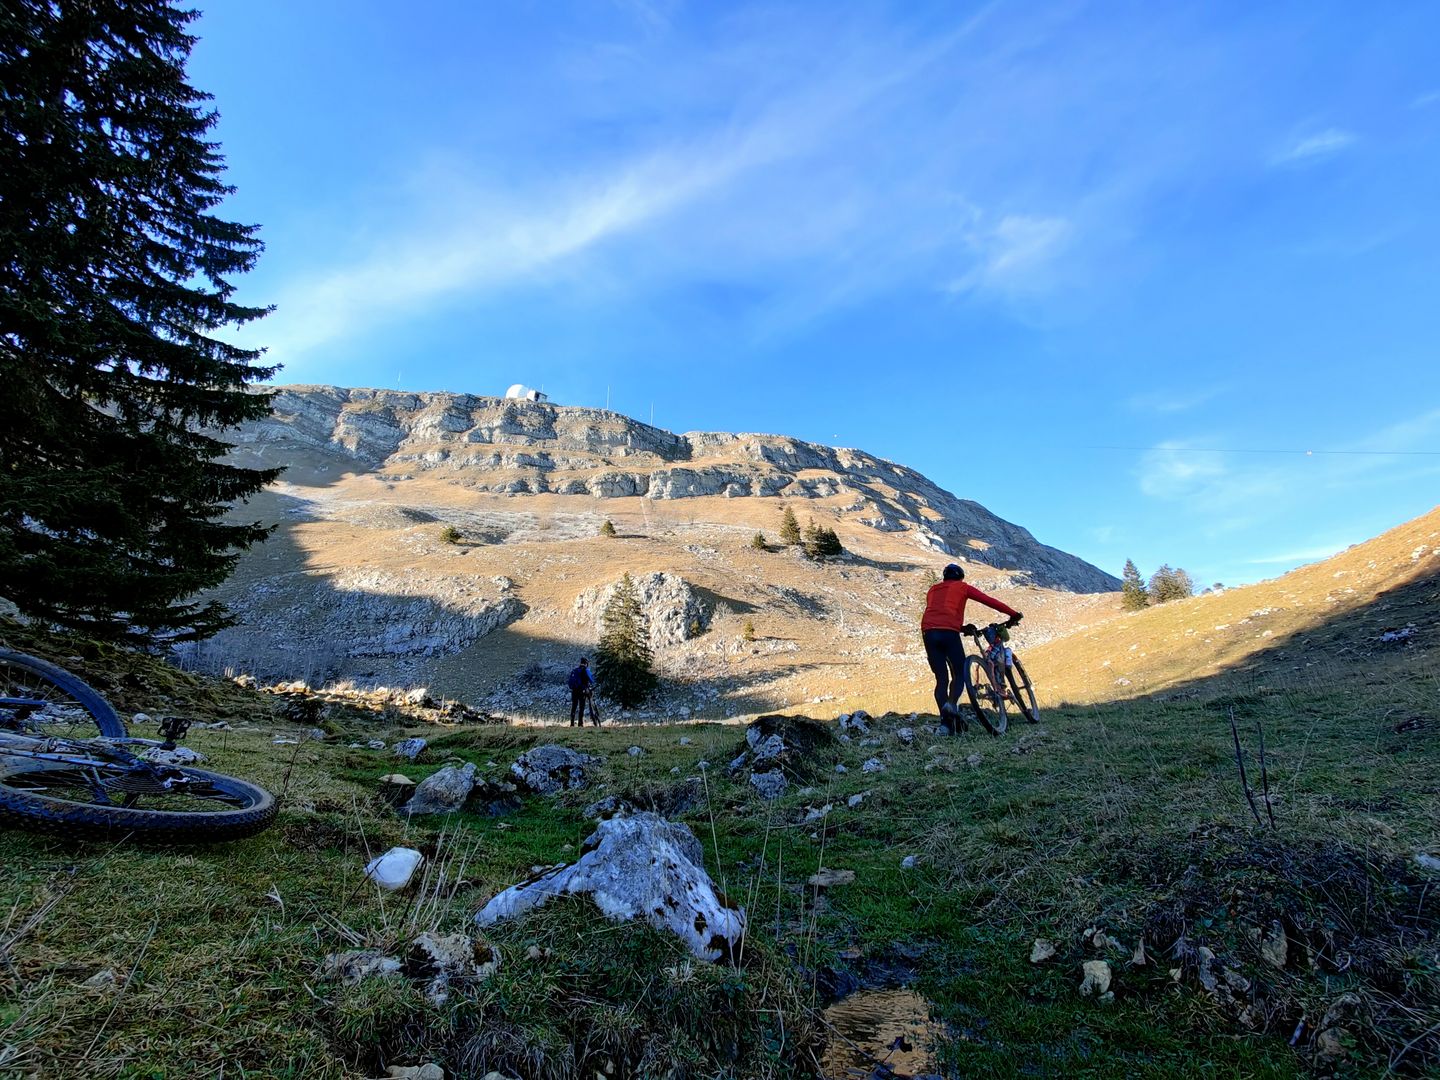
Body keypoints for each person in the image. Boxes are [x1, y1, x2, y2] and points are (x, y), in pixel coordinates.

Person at [921, 564, 1021, 732]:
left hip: (928, 632)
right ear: (960, 577)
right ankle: (951, 705)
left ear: (945, 577)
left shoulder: (933, 590)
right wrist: (1013, 614)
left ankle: (946, 725)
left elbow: (939, 614)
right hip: (949, 633)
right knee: (960, 672)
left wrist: (962, 628)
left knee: (941, 679)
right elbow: (989, 601)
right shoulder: (963, 587)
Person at [567, 658, 595, 726]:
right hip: (582, 691)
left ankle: (572, 723)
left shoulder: (575, 670)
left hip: (574, 691)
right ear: (586, 664)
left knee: (574, 706)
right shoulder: (586, 670)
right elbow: (592, 680)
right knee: (581, 707)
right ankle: (580, 723)